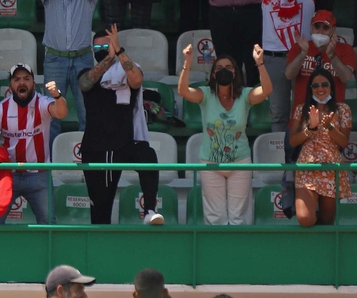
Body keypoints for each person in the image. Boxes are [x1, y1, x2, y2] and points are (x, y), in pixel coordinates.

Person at [178, 42, 270, 225]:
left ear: (235, 72)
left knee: (239, 217)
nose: (224, 71)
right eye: (219, 68)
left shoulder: (244, 95)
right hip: (210, 162)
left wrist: (260, 63)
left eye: (228, 68)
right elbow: (182, 90)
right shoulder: (205, 94)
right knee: (215, 217)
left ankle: (238, 251)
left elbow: (266, 90)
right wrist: (187, 63)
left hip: (240, 162)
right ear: (213, 74)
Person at [77, 27, 162, 225]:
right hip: (96, 148)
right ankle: (100, 247)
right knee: (100, 209)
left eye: (105, 46)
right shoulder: (88, 73)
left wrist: (119, 52)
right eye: (97, 47)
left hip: (124, 144)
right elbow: (84, 83)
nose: (101, 49)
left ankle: (149, 210)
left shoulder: (127, 68)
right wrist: (108, 57)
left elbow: (137, 79)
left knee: (147, 155)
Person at [0, 64, 66, 225]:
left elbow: (61, 112)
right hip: (7, 174)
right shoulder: (0, 109)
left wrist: (58, 96)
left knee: (49, 223)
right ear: (10, 85)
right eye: (17, 79)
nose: (22, 83)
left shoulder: (42, 102)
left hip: (39, 174)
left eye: (27, 79)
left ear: (33, 83)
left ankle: (47, 251)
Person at [33, 0, 96, 146]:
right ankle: (51, 162)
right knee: (52, 113)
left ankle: (87, 158)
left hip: (83, 59)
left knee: (87, 113)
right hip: (55, 60)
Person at [254, 0, 319, 131]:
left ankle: (303, 158)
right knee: (279, 114)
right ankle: (280, 161)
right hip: (274, 58)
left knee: (307, 111)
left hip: (304, 55)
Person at [287, 65, 353, 226]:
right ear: (311, 88)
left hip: (331, 167)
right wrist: (310, 129)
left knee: (327, 221)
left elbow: (344, 142)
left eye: (324, 84)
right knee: (305, 218)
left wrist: (330, 127)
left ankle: (318, 249)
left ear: (331, 86)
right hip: (306, 167)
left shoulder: (343, 109)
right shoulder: (301, 109)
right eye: (315, 85)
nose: (320, 88)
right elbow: (293, 141)